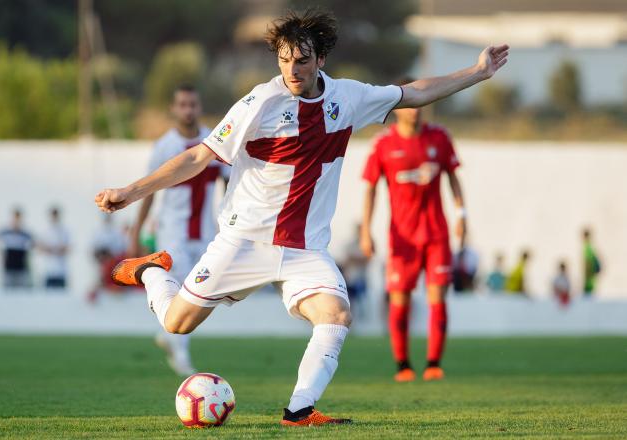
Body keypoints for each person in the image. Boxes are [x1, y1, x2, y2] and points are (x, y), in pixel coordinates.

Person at [95, 9, 509, 426]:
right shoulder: (259, 103)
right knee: (176, 323)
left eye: (302, 60)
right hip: (244, 241)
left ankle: (299, 409)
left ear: (321, 60)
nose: (292, 70)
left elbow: (413, 93)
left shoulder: (348, 98)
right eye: (284, 59)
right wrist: (130, 192)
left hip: (305, 249)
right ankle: (151, 271)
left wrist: (476, 71)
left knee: (336, 314)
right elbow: (198, 156)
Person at [359, 79, 467, 382]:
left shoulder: (440, 137)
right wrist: (366, 231)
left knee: (437, 296)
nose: (416, 111)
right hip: (402, 238)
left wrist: (462, 214)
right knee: (400, 298)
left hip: (436, 234)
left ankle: (433, 363)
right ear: (398, 107)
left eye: (422, 103)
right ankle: (403, 365)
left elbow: (454, 179)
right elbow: (370, 189)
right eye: (411, 104)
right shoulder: (383, 144)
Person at [129, 84, 223, 376]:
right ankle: (179, 353)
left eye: (192, 104)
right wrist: (136, 231)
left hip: (206, 232)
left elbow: (230, 183)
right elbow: (149, 190)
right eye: (182, 104)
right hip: (173, 232)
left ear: (199, 107)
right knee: (183, 288)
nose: (188, 110)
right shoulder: (164, 147)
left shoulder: (215, 141)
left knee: (200, 292)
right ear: (174, 108)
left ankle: (169, 336)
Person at [0, 208, 34, 289]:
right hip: (8, 268)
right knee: (7, 292)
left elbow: (37, 244)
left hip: (22, 268)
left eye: (19, 218)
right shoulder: (5, 232)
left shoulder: (25, 233)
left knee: (23, 293)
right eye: (15, 218)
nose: (17, 220)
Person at [38, 206, 70, 290]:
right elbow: (40, 247)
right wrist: (51, 249)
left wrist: (56, 249)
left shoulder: (64, 231)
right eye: (53, 215)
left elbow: (68, 248)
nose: (54, 217)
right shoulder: (45, 231)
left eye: (56, 215)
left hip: (61, 271)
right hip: (48, 270)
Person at [582, 228, 601, 296]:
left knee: (588, 292)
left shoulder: (587, 247)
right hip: (590, 275)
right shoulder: (589, 246)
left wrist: (587, 273)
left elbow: (588, 261)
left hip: (589, 274)